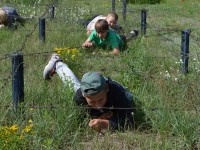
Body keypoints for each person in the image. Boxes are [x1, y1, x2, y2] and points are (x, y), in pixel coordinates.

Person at [43, 53, 135, 132]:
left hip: (115, 88)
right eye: (92, 102)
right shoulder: (79, 97)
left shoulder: (115, 91)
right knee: (73, 86)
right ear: (84, 94)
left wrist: (107, 124)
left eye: (100, 99)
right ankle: (58, 64)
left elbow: (129, 121)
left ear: (106, 89)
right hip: (89, 89)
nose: (98, 105)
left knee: (131, 98)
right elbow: (84, 117)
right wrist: (99, 117)